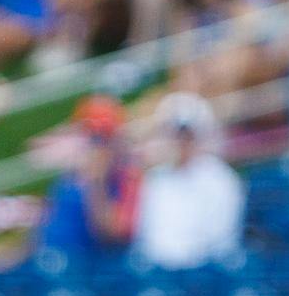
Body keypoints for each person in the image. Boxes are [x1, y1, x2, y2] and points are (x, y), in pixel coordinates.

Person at [132, 93, 243, 270]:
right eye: (175, 134)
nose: (180, 141)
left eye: (186, 135)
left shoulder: (221, 180)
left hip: (206, 274)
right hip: (160, 274)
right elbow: (147, 239)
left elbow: (219, 241)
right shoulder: (155, 180)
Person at [38, 96, 140, 257]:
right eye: (90, 136)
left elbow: (111, 235)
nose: (94, 146)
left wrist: (97, 183)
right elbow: (45, 227)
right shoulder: (68, 178)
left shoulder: (127, 178)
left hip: (87, 271)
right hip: (49, 263)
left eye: (100, 138)